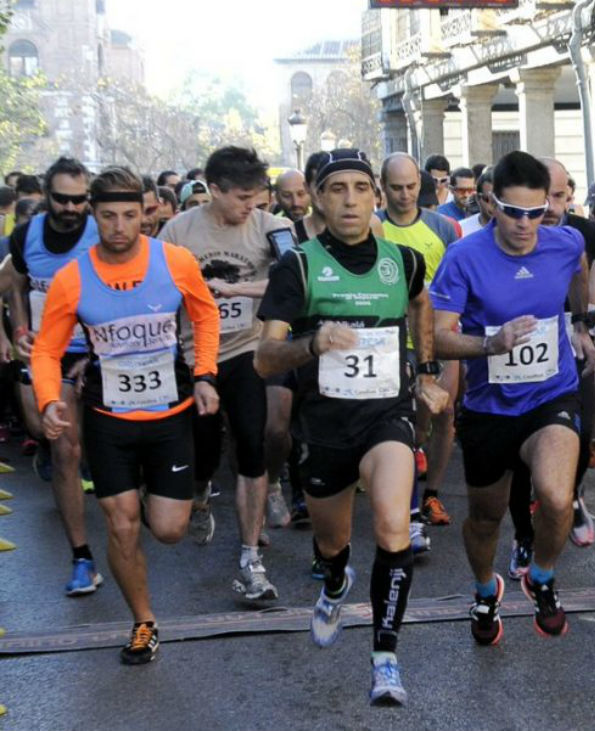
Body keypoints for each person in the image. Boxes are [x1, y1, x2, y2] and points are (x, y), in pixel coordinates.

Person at [256, 148, 449, 705]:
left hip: (386, 414)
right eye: (336, 188)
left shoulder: (403, 261)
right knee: (333, 539)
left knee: (393, 527)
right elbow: (264, 360)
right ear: (318, 197)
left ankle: (385, 658)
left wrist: (426, 368)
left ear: (377, 197)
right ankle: (336, 578)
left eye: (360, 188)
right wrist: (312, 342)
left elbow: (421, 303)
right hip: (326, 426)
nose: (349, 199)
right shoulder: (298, 266)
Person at [33, 166, 221, 664]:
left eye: (130, 215)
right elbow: (47, 349)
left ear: (146, 214)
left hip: (170, 414)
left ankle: (177, 498)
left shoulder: (175, 262)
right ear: (94, 216)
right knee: (120, 524)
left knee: (168, 529)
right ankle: (143, 621)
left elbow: (205, 315)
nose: (119, 226)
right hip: (107, 417)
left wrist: (205, 374)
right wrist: (50, 399)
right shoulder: (72, 279)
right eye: (109, 216)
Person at [431, 150, 595, 645]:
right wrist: (489, 345)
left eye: (536, 211)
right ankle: (486, 589)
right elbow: (437, 337)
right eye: (513, 212)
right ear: (491, 204)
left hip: (551, 394)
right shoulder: (465, 256)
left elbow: (580, 269)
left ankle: (541, 575)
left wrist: (584, 321)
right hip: (489, 406)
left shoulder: (564, 242)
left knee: (555, 495)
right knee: (485, 517)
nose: (526, 224)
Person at [159, 147, 290, 601]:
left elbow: (293, 280)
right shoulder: (178, 231)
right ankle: (199, 494)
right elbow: (160, 291)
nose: (249, 208)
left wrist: (234, 287)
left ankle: (250, 556)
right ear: (213, 191)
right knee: (205, 448)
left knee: (252, 442)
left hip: (247, 349)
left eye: (256, 199)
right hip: (196, 354)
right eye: (240, 199)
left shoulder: (273, 226)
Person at [504, 157, 595, 577]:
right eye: (541, 196)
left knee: (581, 427)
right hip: (512, 358)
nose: (549, 206)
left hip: (566, 352)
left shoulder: (578, 233)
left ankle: (568, 495)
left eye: (557, 196)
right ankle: (522, 535)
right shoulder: (506, 236)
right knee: (517, 455)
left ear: (569, 196)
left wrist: (591, 319)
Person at [8, 156, 101, 597]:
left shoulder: (102, 232)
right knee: (63, 445)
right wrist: (18, 330)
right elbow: (12, 284)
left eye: (78, 199)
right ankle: (82, 557)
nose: (70, 208)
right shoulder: (27, 235)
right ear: (47, 195)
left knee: (91, 447)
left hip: (102, 353)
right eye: (62, 199)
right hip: (51, 353)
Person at [377, 153, 462, 536]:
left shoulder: (444, 228)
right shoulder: (374, 228)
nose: (406, 194)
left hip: (442, 337)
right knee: (407, 424)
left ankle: (431, 494)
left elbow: (459, 283)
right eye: (396, 188)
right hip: (395, 341)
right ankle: (404, 504)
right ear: (383, 188)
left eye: (412, 186)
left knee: (444, 414)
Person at [459, 167, 494, 236]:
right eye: (489, 199)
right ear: (478, 198)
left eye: (500, 199)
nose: (495, 205)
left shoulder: (516, 232)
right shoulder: (461, 229)